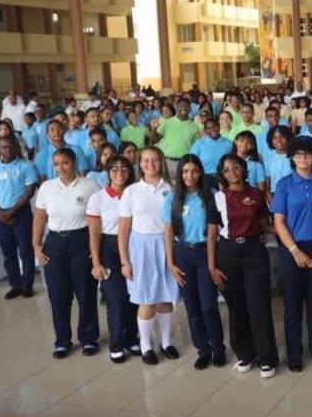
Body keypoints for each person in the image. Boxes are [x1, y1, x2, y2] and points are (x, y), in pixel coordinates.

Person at [209, 153, 279, 378]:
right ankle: (244, 353)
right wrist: (212, 266)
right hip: (227, 254)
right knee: (236, 307)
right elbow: (211, 235)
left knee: (258, 306)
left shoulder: (256, 194)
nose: (232, 172)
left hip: (253, 253)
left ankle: (266, 357)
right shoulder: (218, 198)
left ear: (243, 169)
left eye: (236, 167)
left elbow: (264, 225)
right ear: (222, 174)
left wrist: (289, 233)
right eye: (227, 169)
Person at [32, 148, 101, 358]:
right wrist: (36, 244)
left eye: (65, 163)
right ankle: (62, 340)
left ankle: (89, 338)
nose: (60, 168)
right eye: (56, 164)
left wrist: (95, 248)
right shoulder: (47, 187)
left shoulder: (90, 185)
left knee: (85, 292)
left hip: (81, 240)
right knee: (58, 295)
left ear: (74, 162)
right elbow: (40, 217)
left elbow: (98, 219)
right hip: (55, 242)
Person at [272, 136, 312, 371]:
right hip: (291, 249)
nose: (303, 158)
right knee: (293, 305)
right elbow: (279, 222)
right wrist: (295, 250)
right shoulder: (284, 184)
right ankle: (294, 354)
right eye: (298, 154)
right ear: (292, 157)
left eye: (308, 154)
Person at [118, 146, 180, 366]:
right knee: (146, 299)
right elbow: (123, 229)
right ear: (140, 163)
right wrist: (125, 260)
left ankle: (166, 342)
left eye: (154, 160)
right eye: (145, 160)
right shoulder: (131, 191)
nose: (150, 164)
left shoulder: (172, 188)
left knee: (165, 297)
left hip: (166, 245)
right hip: (141, 248)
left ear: (161, 162)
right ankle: (146, 345)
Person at [163, 154, 225, 370]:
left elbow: (212, 233)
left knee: (208, 306)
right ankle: (203, 349)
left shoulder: (211, 196)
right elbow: (168, 232)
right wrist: (170, 263)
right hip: (182, 254)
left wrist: (211, 264)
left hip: (204, 253)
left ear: (200, 173)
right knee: (192, 307)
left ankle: (218, 348)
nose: (190, 176)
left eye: (194, 171)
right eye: (185, 171)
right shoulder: (172, 199)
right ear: (180, 174)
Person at [86, 154, 141, 364]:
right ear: (108, 172)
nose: (120, 173)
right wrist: (96, 263)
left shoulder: (134, 194)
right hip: (108, 247)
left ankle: (131, 338)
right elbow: (94, 234)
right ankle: (116, 344)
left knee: (133, 296)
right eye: (115, 169)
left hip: (133, 246)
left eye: (125, 169)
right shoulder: (98, 198)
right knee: (116, 299)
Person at [0, 136, 38, 300]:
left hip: (21, 214)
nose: (7, 150)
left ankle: (27, 286)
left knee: (26, 251)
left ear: (16, 147)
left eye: (10, 146)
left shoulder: (26, 166)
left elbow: (30, 191)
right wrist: (0, 213)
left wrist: (11, 211)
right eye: (3, 147)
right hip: (1, 216)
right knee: (8, 253)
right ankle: (15, 285)